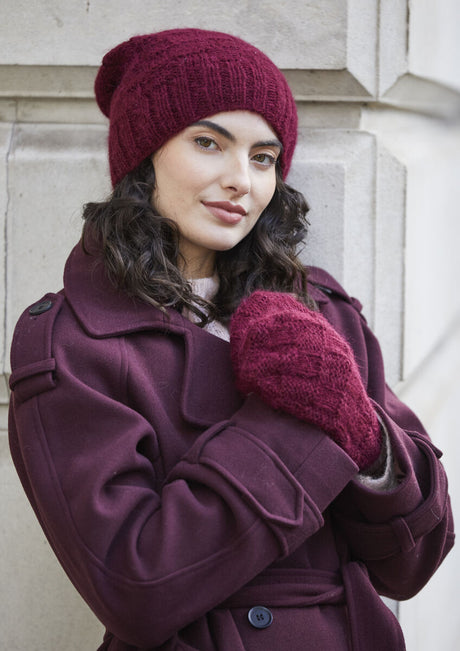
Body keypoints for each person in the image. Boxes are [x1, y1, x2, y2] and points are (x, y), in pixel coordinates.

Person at [8, 28, 454, 651]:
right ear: (144, 157)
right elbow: (135, 591)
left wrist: (367, 434)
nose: (241, 179)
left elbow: (414, 563)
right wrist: (298, 419)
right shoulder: (74, 341)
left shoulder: (320, 308)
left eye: (263, 157)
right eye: (208, 143)